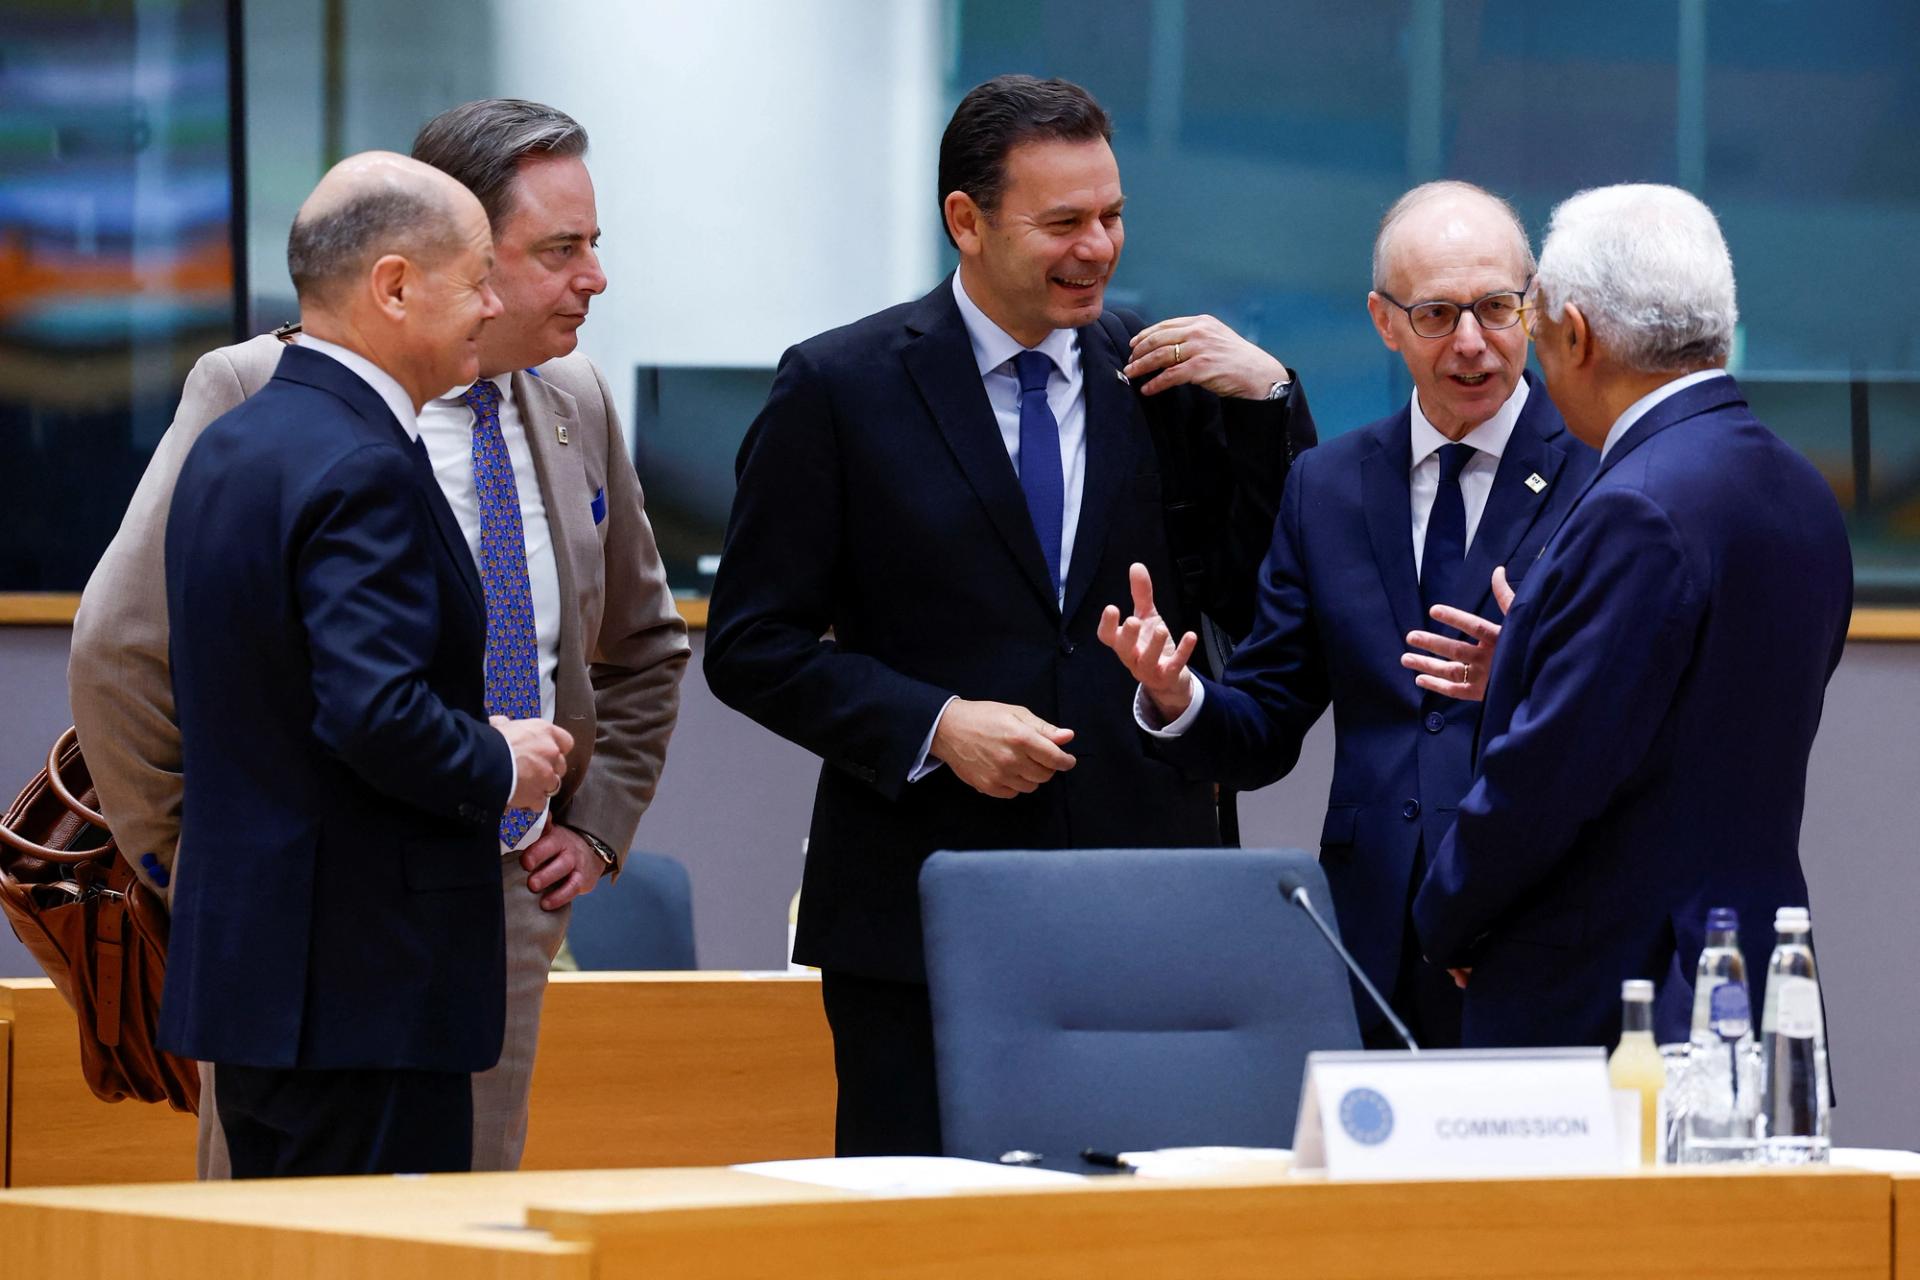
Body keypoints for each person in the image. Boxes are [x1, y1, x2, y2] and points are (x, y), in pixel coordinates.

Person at [67, 99, 689, 1175]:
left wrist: (591, 827)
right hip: (315, 922)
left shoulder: (574, 399)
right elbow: (121, 651)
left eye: (594, 244)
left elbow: (641, 647)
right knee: (295, 1235)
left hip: (492, 909)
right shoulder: (260, 390)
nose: (592, 277)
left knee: (464, 1220)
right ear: (430, 264)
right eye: (556, 251)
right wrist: (198, 860)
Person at [703, 74, 1316, 1155]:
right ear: (966, 219)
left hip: (1146, 894)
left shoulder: (1167, 380)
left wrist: (1272, 405)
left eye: (1113, 216)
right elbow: (752, 642)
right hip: (922, 905)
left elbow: (1263, 597)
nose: (1098, 247)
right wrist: (935, 724)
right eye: (1064, 222)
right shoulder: (839, 387)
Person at [1100, 181, 1595, 1049]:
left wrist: (1526, 673)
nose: (1472, 344)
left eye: (1496, 308)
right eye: (1438, 314)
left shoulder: (1602, 476)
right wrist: (1178, 700)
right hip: (1370, 943)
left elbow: (1642, 710)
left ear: (1536, 308)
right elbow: (1264, 722)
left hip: (1539, 930)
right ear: (1384, 321)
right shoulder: (1327, 486)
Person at [159, 152, 575, 1177]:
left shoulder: (240, 438)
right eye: (478, 276)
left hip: (269, 980)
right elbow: (373, 709)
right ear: (394, 286)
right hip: (367, 988)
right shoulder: (364, 465)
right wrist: (502, 762)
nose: (492, 304)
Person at [1402, 184, 1852, 1048]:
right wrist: (1534, 660)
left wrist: (1450, 914)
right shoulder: (1801, 489)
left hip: (1622, 1003)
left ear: (1577, 332)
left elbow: (1551, 775)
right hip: (1754, 984)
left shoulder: (1637, 505)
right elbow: (1708, 710)